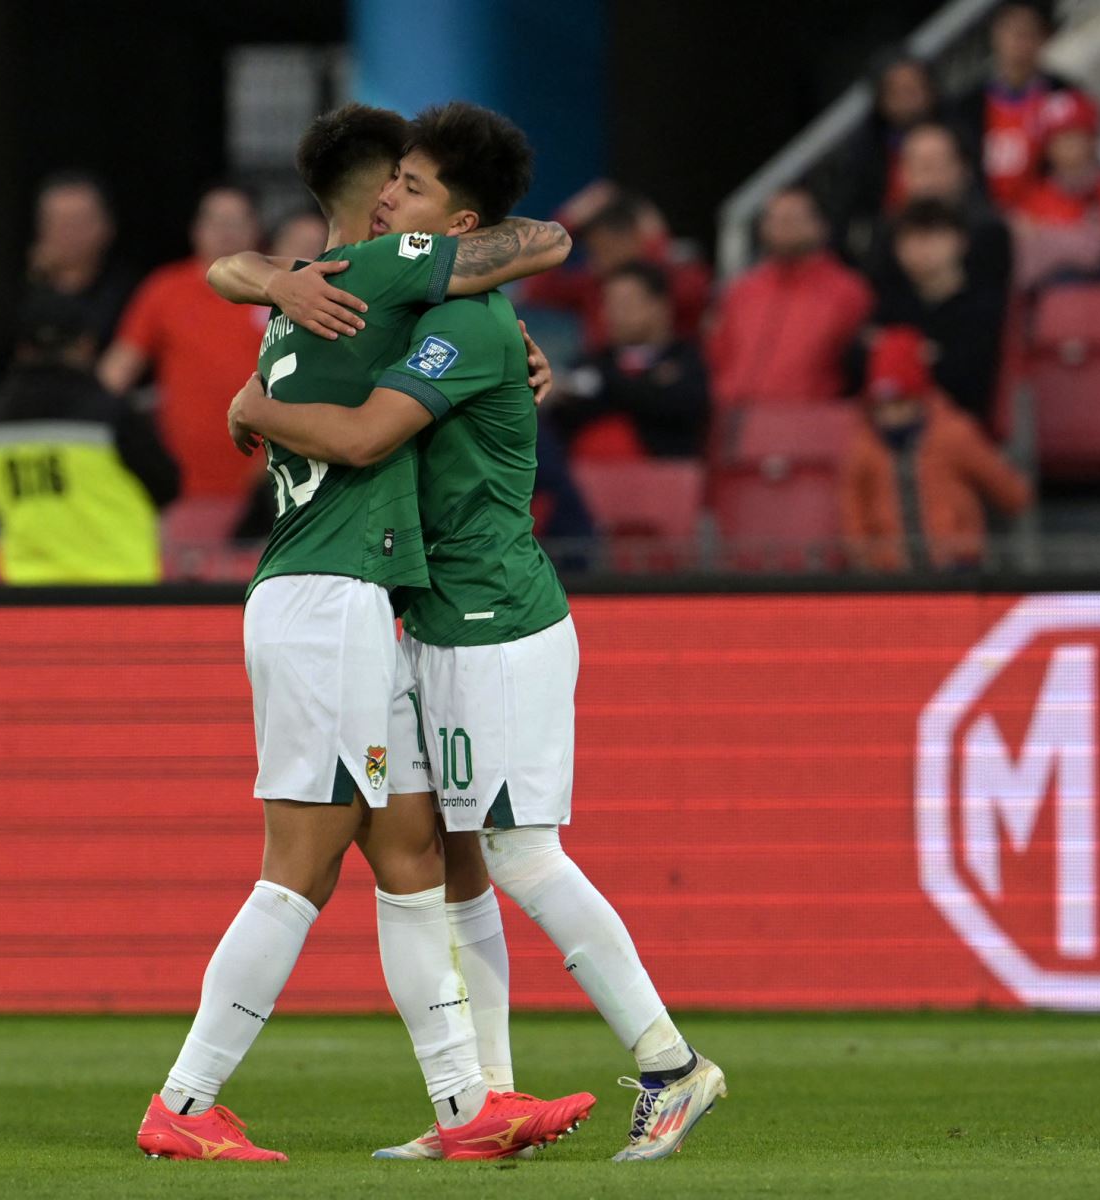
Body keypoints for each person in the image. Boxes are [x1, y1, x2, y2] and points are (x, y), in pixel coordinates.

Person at [225, 101, 726, 1165]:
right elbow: (239, 267)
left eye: (412, 183)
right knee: (456, 864)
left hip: (497, 620)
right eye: (390, 176)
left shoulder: (470, 323)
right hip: (431, 618)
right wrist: (270, 283)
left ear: (458, 223)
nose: (392, 193)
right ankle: (485, 1108)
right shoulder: (420, 304)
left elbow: (366, 438)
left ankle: (671, 1063)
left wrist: (256, 409)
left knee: (519, 851)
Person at [136, 102, 589, 1163]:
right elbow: (546, 242)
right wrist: (498, 321)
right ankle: (186, 1105)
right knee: (297, 868)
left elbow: (230, 271)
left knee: (412, 851)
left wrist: (263, 320)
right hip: (327, 596)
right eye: (406, 179)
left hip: (344, 599)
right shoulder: (380, 274)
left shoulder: (306, 297)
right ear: (378, 194)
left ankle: (462, 1106)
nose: (408, 196)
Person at [0, 292, 180, 584]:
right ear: (85, 345)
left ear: (21, 348)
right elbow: (167, 484)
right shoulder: (108, 411)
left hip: (29, 589)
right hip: (120, 586)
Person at [100, 185, 269, 502]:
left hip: (267, 491)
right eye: (215, 221)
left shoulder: (278, 291)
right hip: (183, 489)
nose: (225, 233)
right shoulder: (165, 290)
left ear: (255, 229)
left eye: (236, 222)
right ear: (196, 229)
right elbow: (117, 371)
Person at [839, 327, 1031, 571]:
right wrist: (866, 559)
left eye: (901, 403)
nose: (892, 415)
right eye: (883, 406)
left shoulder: (955, 435)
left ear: (920, 397)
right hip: (891, 576)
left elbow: (1012, 494)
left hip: (957, 569)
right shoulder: (863, 448)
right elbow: (853, 513)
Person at [710, 186, 872, 407]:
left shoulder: (847, 292)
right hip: (735, 420)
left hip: (806, 422)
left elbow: (857, 367)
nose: (782, 227)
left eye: (792, 218)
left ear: (820, 225)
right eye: (774, 219)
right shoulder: (742, 290)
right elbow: (718, 355)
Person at [517, 182, 712, 353]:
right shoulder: (591, 284)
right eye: (592, 250)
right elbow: (535, 289)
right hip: (603, 385)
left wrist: (656, 240)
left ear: (632, 238)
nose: (595, 260)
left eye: (604, 249)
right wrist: (566, 221)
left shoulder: (672, 278)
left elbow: (696, 292)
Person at [544, 263, 711, 459]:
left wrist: (604, 386)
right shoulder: (592, 361)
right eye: (608, 304)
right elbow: (564, 409)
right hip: (586, 480)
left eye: (626, 303)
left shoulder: (687, 360)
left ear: (659, 306)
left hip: (665, 480)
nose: (614, 313)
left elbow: (681, 407)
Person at [863, 198, 1007, 425]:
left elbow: (971, 374)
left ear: (960, 241)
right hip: (887, 430)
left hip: (962, 428)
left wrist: (895, 352)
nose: (918, 249)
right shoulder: (890, 304)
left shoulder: (984, 306)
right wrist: (919, 355)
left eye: (929, 237)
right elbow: (857, 357)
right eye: (908, 240)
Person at [865, 123, 1015, 304]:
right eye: (917, 164)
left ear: (963, 169)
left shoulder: (988, 230)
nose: (927, 175)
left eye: (936, 163)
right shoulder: (888, 228)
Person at [1011, 90, 1100, 292]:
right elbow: (1026, 270)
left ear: (1092, 140)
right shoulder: (1033, 197)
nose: (1068, 145)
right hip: (1052, 302)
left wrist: (1049, 239)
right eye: (1059, 138)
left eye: (1075, 135)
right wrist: (1079, 240)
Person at [950, 2, 1072, 211]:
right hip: (987, 218)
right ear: (994, 35)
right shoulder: (966, 105)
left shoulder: (1065, 97)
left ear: (1044, 38)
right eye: (1011, 30)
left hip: (1050, 218)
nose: (1019, 42)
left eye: (1029, 33)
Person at [836, 51, 947, 259]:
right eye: (896, 91)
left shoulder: (954, 133)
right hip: (888, 246)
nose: (907, 98)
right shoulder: (864, 148)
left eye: (913, 88)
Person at [21, 171, 138, 349]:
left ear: (107, 227)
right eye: (57, 222)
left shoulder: (132, 294)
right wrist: (38, 280)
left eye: (78, 222)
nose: (69, 234)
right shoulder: (23, 288)